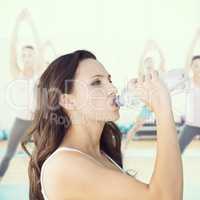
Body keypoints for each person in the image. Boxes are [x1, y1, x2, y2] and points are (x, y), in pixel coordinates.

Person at [22, 50, 183, 200]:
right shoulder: (64, 165)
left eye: (109, 80)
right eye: (97, 82)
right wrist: (162, 110)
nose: (112, 88)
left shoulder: (100, 155)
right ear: (67, 100)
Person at [0, 9, 44, 180]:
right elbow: (11, 47)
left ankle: (43, 183)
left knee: (42, 154)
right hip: (20, 120)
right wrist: (18, 23)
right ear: (21, 57)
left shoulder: (38, 72)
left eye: (30, 55)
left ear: (34, 57)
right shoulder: (16, 72)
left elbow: (40, 46)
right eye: (24, 55)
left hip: (37, 120)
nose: (27, 57)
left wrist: (31, 23)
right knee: (9, 154)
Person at [176, 28, 200, 153]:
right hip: (190, 125)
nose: (199, 68)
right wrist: (196, 37)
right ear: (191, 67)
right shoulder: (188, 82)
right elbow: (187, 57)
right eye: (196, 65)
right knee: (177, 150)